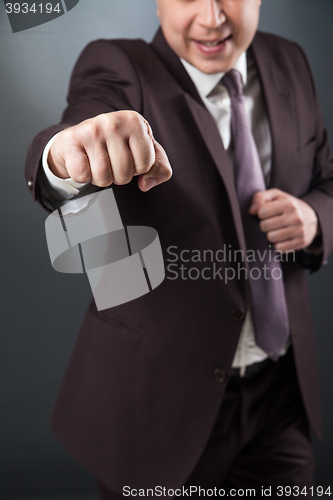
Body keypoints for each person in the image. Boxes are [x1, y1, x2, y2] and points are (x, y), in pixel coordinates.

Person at [25, 0, 333, 498]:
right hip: (159, 406)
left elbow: (326, 177)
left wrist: (316, 217)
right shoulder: (116, 66)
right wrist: (65, 155)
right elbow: (80, 130)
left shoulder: (290, 61)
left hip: (279, 396)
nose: (212, 18)